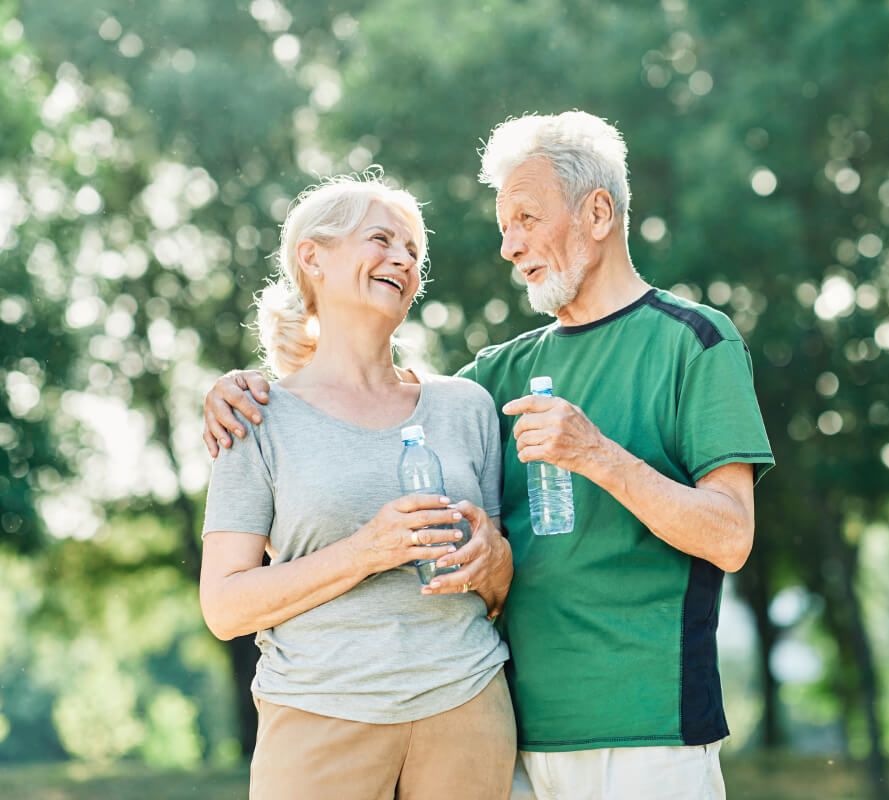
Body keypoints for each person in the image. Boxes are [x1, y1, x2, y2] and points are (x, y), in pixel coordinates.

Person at [204, 112, 774, 799]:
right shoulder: (489, 381)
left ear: (598, 212)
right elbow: (373, 410)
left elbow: (731, 536)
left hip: (644, 727)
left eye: (527, 219)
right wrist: (235, 387)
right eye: (504, 225)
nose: (509, 246)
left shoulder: (693, 342)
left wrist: (595, 457)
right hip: (514, 733)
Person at [199, 174, 517, 800]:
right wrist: (367, 552)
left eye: (413, 253)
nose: (402, 259)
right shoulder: (255, 416)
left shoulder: (468, 408)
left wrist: (496, 561)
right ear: (312, 257)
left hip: (467, 705)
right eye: (381, 239)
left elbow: (498, 590)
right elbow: (225, 606)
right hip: (318, 717)